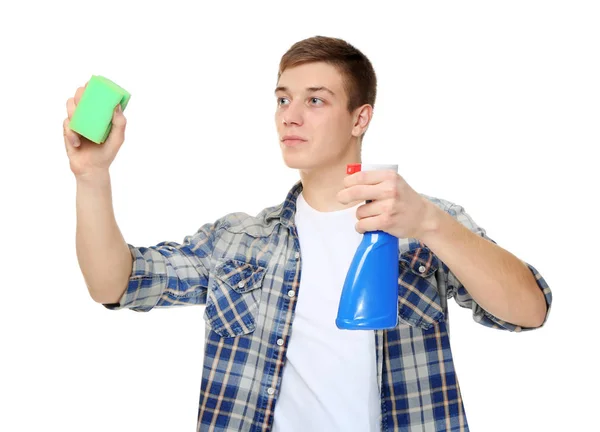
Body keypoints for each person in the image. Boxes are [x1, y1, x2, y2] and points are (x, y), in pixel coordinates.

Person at [62, 35, 552, 432]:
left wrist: (428, 223)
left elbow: (530, 311)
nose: (289, 115)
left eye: (315, 100)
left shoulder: (426, 222)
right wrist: (92, 177)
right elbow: (115, 283)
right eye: (282, 99)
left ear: (360, 117)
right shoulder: (237, 240)